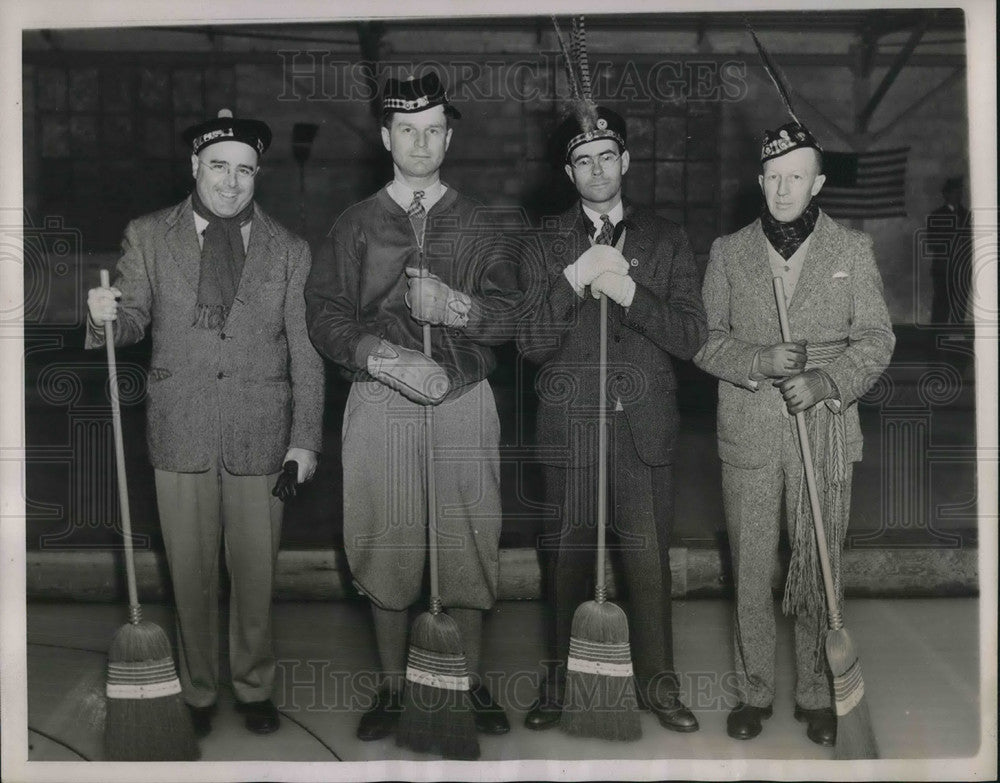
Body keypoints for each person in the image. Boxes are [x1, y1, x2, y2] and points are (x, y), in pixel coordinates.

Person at [85, 109, 325, 737]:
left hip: (262, 436)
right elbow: (132, 320)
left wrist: (304, 440)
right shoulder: (149, 235)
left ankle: (253, 685)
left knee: (256, 574)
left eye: (244, 171)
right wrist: (106, 314)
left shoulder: (290, 250)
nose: (230, 182)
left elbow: (305, 350)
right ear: (195, 166)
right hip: (180, 430)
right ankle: (196, 689)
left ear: (257, 175)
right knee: (188, 576)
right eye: (218, 167)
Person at [304, 71, 521, 742]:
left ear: (449, 137)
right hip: (382, 400)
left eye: (433, 131)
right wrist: (388, 357)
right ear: (385, 137)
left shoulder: (479, 221)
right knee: (385, 539)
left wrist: (455, 307)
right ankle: (396, 688)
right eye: (407, 130)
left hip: (462, 398)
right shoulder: (355, 224)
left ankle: (468, 679)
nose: (420, 143)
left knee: (468, 539)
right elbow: (325, 313)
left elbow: (511, 314)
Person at [694, 122, 895, 746]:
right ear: (760, 181)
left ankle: (816, 693)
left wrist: (827, 382)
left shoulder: (852, 250)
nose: (784, 189)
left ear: (819, 183)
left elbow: (877, 340)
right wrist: (758, 362)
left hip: (826, 433)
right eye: (774, 178)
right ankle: (753, 692)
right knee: (751, 572)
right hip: (749, 436)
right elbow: (704, 340)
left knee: (815, 570)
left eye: (797, 178)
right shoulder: (729, 252)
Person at [516, 105, 707, 733]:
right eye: (582, 161)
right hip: (570, 432)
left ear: (625, 162)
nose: (596, 170)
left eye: (607, 156)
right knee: (566, 563)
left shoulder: (667, 238)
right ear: (569, 173)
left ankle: (659, 685)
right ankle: (556, 683)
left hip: (640, 427)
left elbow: (689, 335)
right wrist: (574, 280)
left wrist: (630, 292)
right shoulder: (544, 243)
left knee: (648, 564)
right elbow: (531, 341)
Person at [926, 176, 972, 325]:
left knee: (960, 306)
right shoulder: (936, 215)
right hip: (943, 269)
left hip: (962, 269)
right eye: (954, 192)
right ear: (946, 194)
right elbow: (932, 243)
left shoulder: (967, 215)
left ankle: (956, 340)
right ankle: (936, 341)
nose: (958, 195)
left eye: (960, 192)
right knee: (941, 306)